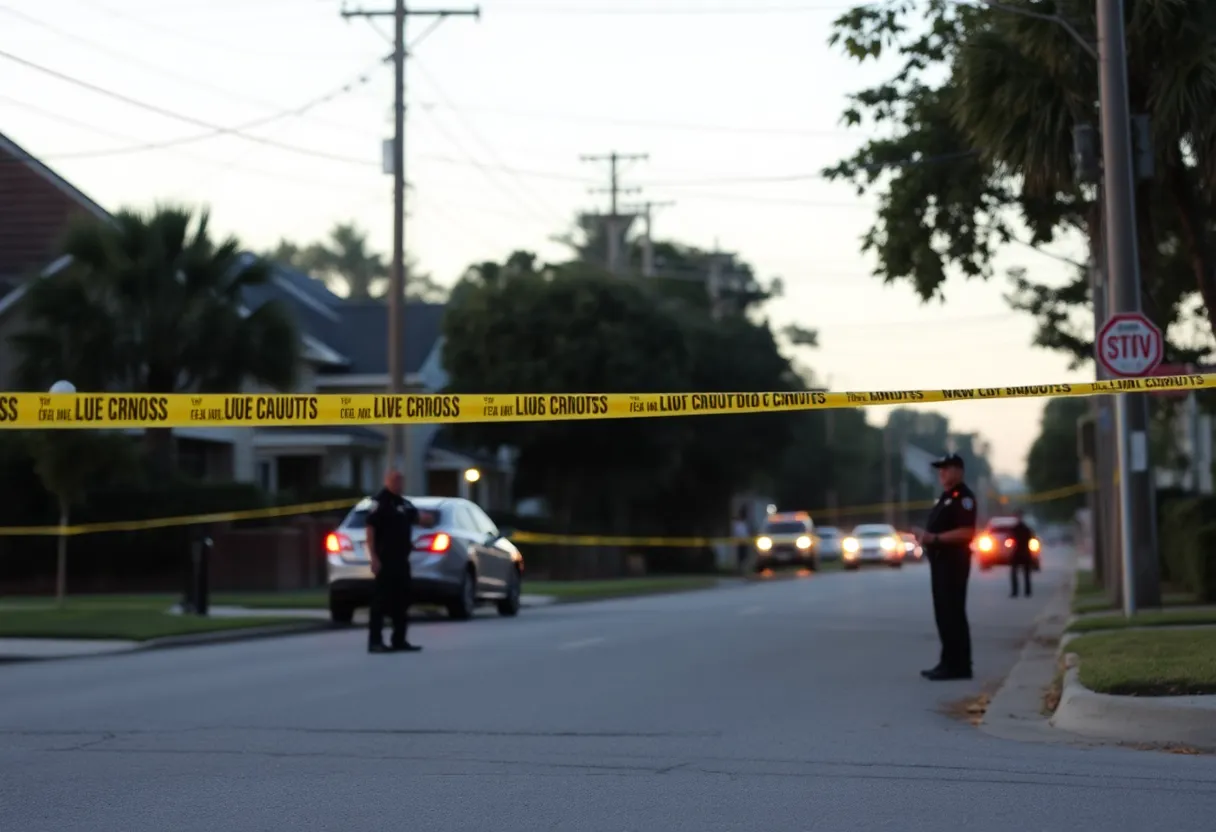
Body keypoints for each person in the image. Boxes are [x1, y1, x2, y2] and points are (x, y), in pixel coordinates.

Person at [914, 453, 977, 681]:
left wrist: (935, 538)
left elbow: (967, 532)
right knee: (943, 613)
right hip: (940, 563)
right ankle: (948, 661)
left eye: (946, 468)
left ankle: (959, 665)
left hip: (954, 563)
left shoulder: (964, 498)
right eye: (940, 469)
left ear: (958, 471)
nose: (941, 472)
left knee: (953, 612)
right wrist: (925, 536)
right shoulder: (946, 496)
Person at [364, 470, 426, 654]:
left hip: (402, 560)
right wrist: (373, 557)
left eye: (400, 480)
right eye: (394, 480)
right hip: (385, 560)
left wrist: (429, 519)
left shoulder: (404, 504)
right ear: (387, 481)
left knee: (403, 599)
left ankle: (399, 639)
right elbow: (370, 530)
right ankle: (375, 642)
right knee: (380, 601)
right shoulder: (380, 502)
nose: (398, 483)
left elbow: (418, 518)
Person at [1006, 508, 1036, 598]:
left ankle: (1018, 591)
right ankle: (1026, 591)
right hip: (1022, 552)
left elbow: (1009, 541)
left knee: (1019, 573)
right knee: (1023, 573)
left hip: (1020, 552)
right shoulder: (1025, 529)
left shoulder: (1017, 529)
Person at [732, 508, 751, 574]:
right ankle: (739, 569)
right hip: (739, 543)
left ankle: (744, 569)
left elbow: (746, 533)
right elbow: (736, 534)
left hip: (745, 543)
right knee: (740, 557)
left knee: (745, 557)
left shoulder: (745, 524)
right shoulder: (737, 524)